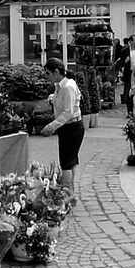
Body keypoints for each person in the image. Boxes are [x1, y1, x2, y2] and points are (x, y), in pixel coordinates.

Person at [38, 58, 84, 196]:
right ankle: (70, 192)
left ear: (56, 72)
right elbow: (64, 101)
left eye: (48, 73)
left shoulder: (67, 86)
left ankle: (66, 194)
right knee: (70, 161)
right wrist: (53, 98)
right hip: (68, 127)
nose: (47, 77)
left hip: (72, 127)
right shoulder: (61, 85)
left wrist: (52, 126)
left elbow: (69, 112)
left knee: (66, 163)